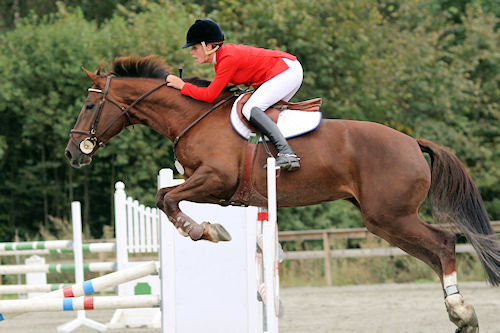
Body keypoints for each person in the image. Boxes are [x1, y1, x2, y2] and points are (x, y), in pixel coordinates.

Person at [166, 19, 303, 171]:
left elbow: (209, 95)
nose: (192, 53)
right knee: (259, 113)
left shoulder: (227, 59)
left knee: (250, 108)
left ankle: (287, 154)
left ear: (210, 47)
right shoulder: (221, 60)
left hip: (285, 70)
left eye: (195, 47)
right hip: (284, 71)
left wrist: (182, 86)